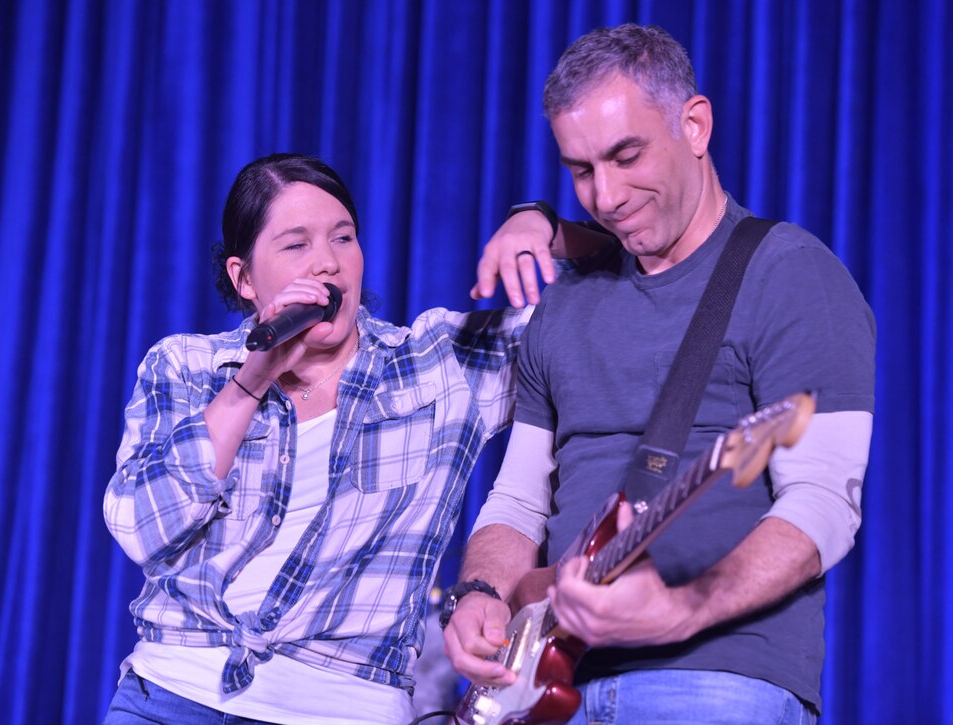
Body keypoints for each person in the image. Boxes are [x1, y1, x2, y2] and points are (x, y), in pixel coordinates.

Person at [442, 23, 875, 723]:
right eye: (580, 169)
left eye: (625, 155)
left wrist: (679, 611)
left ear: (695, 125)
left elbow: (823, 506)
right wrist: (481, 595)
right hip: (544, 684)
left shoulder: (790, 273)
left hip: (712, 677)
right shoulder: (567, 299)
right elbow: (519, 500)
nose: (605, 195)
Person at [102, 153, 601, 724]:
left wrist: (544, 227)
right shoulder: (187, 368)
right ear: (243, 277)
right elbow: (143, 528)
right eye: (296, 245)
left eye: (343, 238)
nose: (327, 264)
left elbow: (633, 274)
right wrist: (250, 381)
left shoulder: (437, 364)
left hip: (345, 705)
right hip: (172, 694)